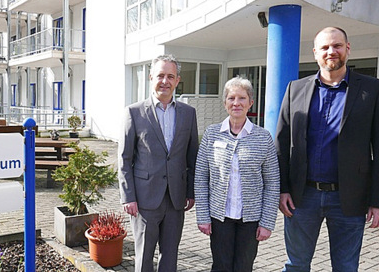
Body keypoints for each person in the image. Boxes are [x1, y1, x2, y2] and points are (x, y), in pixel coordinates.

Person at [275, 26, 379, 271]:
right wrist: (282, 189)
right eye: (325, 47)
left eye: (337, 45)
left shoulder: (373, 90)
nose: (332, 51)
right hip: (302, 197)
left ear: (348, 49)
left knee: (346, 266)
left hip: (349, 198)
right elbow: (281, 144)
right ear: (315, 53)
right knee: (296, 265)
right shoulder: (294, 89)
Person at [118, 54, 199, 272]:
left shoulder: (188, 114)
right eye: (161, 75)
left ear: (177, 80)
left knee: (170, 255)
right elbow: (124, 159)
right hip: (145, 199)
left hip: (176, 198)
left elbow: (192, 157)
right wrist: (128, 196)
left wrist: (190, 192)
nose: (165, 81)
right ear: (151, 77)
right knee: (144, 256)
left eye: (170, 76)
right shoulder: (134, 112)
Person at [194, 77, 280, 272]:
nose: (236, 103)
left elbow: (272, 183)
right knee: (221, 266)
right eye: (231, 98)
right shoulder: (211, 134)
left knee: (243, 267)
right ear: (225, 103)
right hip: (219, 217)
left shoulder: (263, 137)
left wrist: (267, 222)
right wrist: (203, 216)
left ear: (250, 102)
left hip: (250, 220)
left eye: (242, 98)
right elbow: (200, 178)